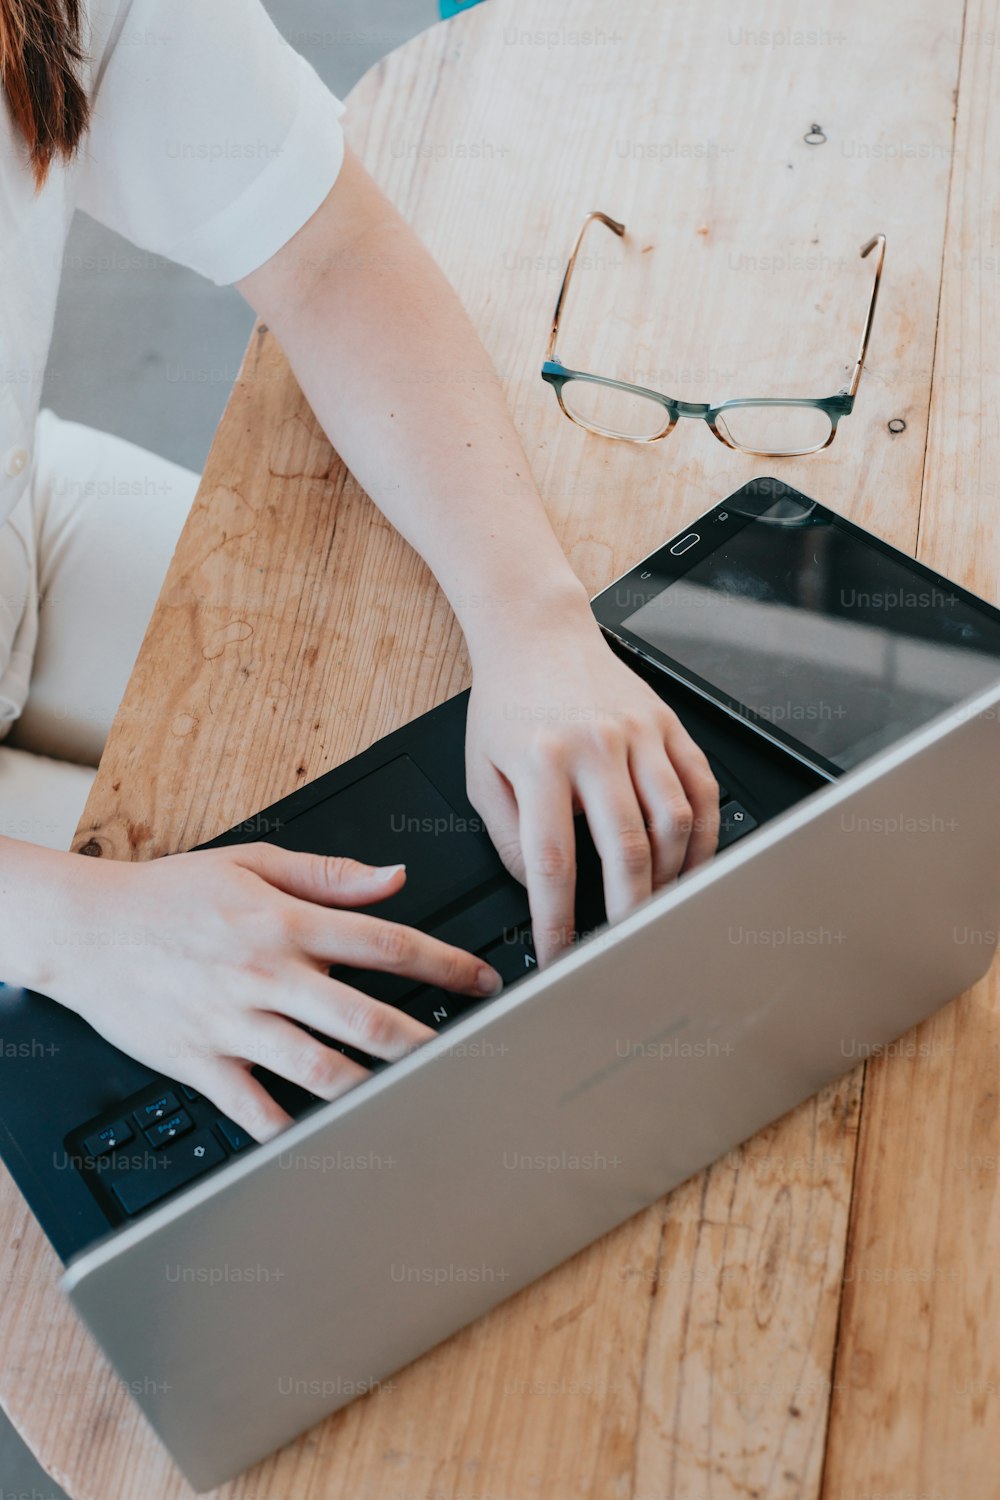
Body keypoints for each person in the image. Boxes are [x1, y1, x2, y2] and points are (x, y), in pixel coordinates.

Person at [0, 0, 719, 1139]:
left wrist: (531, 621)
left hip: (20, 528)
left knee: (422, 786)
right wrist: (66, 923)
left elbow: (326, 253)